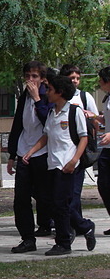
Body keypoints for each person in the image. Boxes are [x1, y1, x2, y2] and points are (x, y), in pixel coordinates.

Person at [22, 74, 96, 255]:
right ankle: (85, 226)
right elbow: (46, 136)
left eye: (50, 89)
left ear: (60, 92)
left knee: (59, 204)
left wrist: (73, 161)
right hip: (52, 163)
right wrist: (31, 152)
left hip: (67, 165)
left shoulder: (74, 111)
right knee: (54, 203)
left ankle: (63, 243)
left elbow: (84, 138)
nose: (47, 92)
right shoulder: (51, 113)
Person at [5, 62, 54, 252]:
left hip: (43, 151)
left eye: (34, 76)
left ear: (42, 79)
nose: (30, 80)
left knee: (46, 196)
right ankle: (27, 238)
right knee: (21, 198)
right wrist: (11, 154)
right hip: (24, 151)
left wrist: (37, 99)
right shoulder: (23, 96)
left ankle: (74, 226)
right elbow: (18, 124)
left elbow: (49, 122)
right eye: (28, 76)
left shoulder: (48, 94)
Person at [59, 64, 98, 226]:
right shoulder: (58, 97)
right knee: (62, 192)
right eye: (71, 78)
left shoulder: (84, 97)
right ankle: (73, 223)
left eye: (77, 78)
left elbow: (95, 120)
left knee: (74, 190)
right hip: (60, 150)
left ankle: (75, 225)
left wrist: (92, 142)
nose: (75, 81)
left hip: (78, 149)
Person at [96, 66, 110, 235]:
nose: (99, 82)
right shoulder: (107, 99)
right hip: (107, 148)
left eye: (101, 79)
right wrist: (95, 117)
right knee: (104, 185)